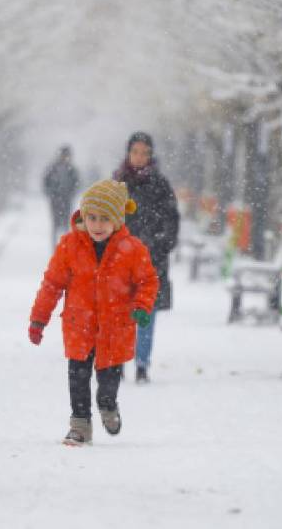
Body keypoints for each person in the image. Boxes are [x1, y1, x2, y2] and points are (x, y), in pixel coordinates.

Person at [28, 179, 159, 446]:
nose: (97, 225)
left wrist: (142, 306)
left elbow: (148, 281)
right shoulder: (70, 246)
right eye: (92, 218)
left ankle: (108, 405)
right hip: (79, 325)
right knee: (78, 377)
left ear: (117, 221)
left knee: (108, 379)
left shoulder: (132, 249)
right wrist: (38, 319)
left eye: (104, 219)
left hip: (115, 328)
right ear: (84, 217)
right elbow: (52, 284)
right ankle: (79, 425)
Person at [113, 131, 180, 383]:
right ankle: (118, 360)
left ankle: (142, 364)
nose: (139, 157)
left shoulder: (160, 185)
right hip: (120, 259)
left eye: (144, 153)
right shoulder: (117, 183)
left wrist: (161, 244)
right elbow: (105, 218)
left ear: (150, 155)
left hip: (152, 260)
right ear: (128, 153)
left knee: (146, 312)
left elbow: (172, 219)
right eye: (135, 152)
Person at [42, 145, 80, 246]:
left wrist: (71, 194)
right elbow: (45, 182)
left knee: (66, 225)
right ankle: (55, 247)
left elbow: (77, 183)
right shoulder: (53, 168)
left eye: (67, 155)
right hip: (55, 201)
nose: (65, 157)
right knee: (55, 225)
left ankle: (65, 247)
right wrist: (51, 194)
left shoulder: (72, 170)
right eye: (64, 155)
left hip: (67, 201)